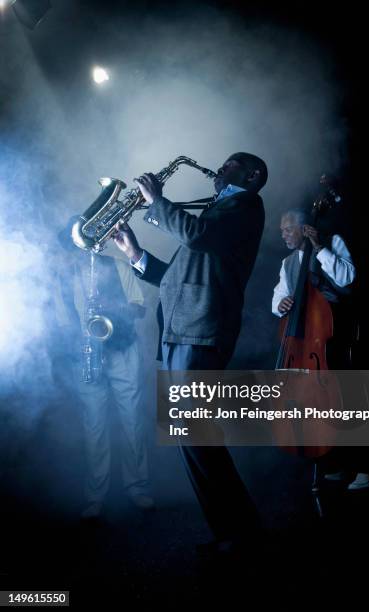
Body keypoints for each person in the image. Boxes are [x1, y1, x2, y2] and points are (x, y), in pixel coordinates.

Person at [113, 152, 268, 551]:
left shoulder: (244, 205)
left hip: (201, 330)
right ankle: (232, 532)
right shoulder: (219, 214)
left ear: (252, 175)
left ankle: (240, 534)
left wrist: (158, 202)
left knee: (198, 437)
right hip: (185, 330)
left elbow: (196, 235)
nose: (222, 166)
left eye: (232, 163)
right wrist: (134, 255)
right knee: (193, 438)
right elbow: (173, 280)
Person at [54, 220, 154, 518]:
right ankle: (95, 495)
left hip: (123, 349)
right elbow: (62, 324)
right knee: (94, 425)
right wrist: (82, 340)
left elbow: (140, 306)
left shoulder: (118, 267)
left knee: (132, 419)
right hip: (87, 355)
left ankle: (137, 486)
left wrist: (114, 310)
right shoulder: (64, 277)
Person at [272, 208, 369, 490]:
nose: (283, 235)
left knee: (349, 400)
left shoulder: (333, 242)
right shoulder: (288, 262)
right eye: (281, 230)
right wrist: (280, 305)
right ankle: (334, 464)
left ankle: (364, 466)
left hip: (336, 336)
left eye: (288, 229)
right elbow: (278, 296)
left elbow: (347, 279)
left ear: (305, 228)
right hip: (307, 344)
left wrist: (319, 248)